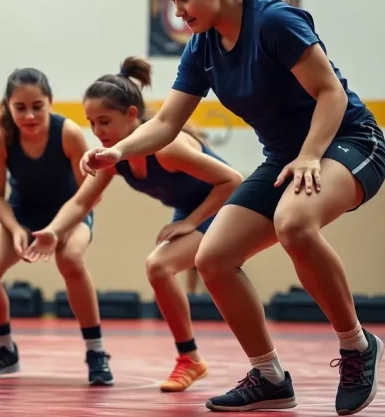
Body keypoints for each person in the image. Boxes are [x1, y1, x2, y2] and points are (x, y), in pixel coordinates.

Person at [76, 0, 385, 415]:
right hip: (285, 158)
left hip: (347, 141)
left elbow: (330, 93)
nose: (178, 13)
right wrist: (117, 151)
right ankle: (268, 376)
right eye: (171, 2)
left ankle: (357, 346)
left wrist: (309, 155)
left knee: (294, 223)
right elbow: (166, 123)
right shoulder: (200, 47)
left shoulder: (275, 23)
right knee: (213, 258)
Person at [27, 57, 243, 392]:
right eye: (92, 123)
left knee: (160, 266)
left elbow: (232, 181)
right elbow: (82, 201)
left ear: (131, 115)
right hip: (192, 209)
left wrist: (191, 221)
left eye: (104, 121)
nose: (98, 133)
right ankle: (192, 360)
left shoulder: (167, 148)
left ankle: (193, 360)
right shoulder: (116, 157)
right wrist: (54, 231)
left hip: (227, 206)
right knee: (162, 269)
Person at [0, 68, 112, 386]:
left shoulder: (69, 133)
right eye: (20, 107)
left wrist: (58, 231)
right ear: (8, 105)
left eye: (38, 105)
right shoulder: (0, 138)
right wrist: (15, 229)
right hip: (21, 215)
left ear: (50, 102)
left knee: (71, 260)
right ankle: (4, 349)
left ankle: (96, 352)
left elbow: (91, 196)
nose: (30, 115)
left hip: (70, 214)